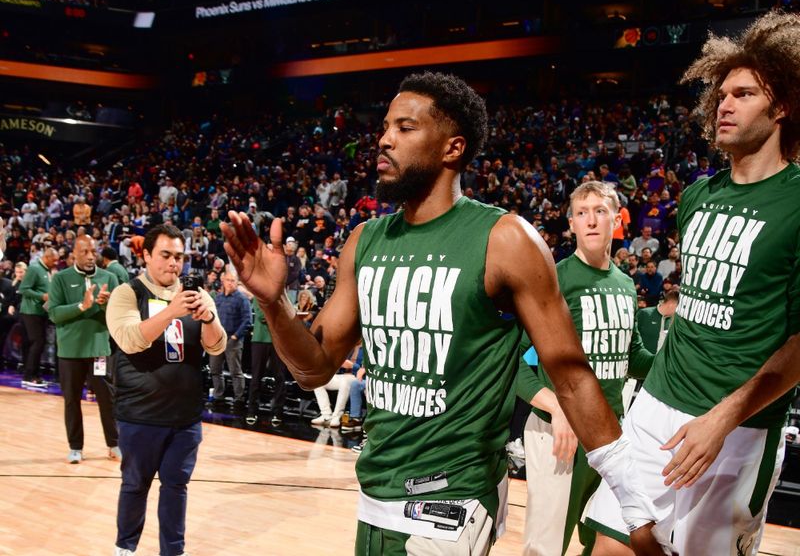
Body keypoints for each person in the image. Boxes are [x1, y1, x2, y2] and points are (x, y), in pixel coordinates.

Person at [222, 72, 662, 554]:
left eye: (405, 128)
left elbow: (573, 376)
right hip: (375, 492)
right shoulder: (364, 242)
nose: (384, 139)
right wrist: (272, 300)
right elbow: (314, 368)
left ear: (452, 149)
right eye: (386, 126)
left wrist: (630, 497)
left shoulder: (506, 240)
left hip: (454, 501)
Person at [586, 11, 800, 556]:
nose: (724, 104)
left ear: (783, 107)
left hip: (738, 424)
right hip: (657, 404)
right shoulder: (697, 196)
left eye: (745, 94)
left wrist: (722, 418)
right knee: (613, 547)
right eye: (722, 94)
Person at [515, 181, 653, 556]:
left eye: (600, 211)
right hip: (560, 434)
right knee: (547, 547)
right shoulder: (555, 277)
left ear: (617, 221)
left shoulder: (626, 284)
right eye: (581, 213)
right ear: (571, 225)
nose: (591, 220)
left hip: (610, 435)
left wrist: (680, 361)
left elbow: (633, 358)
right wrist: (555, 406)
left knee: (608, 543)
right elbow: (513, 361)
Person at [107, 224, 226, 556]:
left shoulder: (198, 296)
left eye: (179, 256)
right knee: (135, 486)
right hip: (140, 414)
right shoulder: (128, 293)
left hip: (185, 417)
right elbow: (129, 339)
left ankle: (173, 552)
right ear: (146, 256)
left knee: (177, 488)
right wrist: (172, 311)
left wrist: (208, 318)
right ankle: (125, 548)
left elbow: (217, 347)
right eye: (165, 255)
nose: (174, 263)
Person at [48, 235, 119, 464]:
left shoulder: (110, 277)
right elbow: (54, 314)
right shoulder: (60, 278)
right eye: (84, 252)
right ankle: (76, 447)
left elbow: (119, 315)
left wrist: (107, 303)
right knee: (71, 400)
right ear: (74, 254)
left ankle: (114, 444)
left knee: (107, 399)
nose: (90, 256)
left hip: (99, 348)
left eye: (93, 251)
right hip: (70, 352)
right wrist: (83, 306)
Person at [210, 265, 252, 408]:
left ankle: (239, 398)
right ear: (223, 281)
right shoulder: (219, 298)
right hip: (217, 339)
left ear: (237, 282)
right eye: (228, 280)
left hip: (233, 339)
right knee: (215, 369)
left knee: (235, 370)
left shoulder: (242, 299)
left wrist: (235, 336)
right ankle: (218, 396)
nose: (230, 283)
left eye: (233, 280)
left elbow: (247, 320)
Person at [246, 298, 289, 426]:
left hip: (279, 341)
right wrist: (277, 315)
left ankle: (278, 411)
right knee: (256, 376)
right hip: (259, 340)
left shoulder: (283, 296)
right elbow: (261, 316)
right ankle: (252, 411)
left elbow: (286, 317)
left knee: (280, 377)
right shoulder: (258, 295)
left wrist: (276, 315)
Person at [19, 246, 58, 388]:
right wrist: (41, 296)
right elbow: (23, 289)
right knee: (38, 342)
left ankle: (34, 375)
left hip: (41, 312)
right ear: (46, 258)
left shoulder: (47, 270)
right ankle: (29, 376)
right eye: (54, 260)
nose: (56, 263)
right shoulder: (35, 268)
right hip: (30, 311)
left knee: (39, 343)